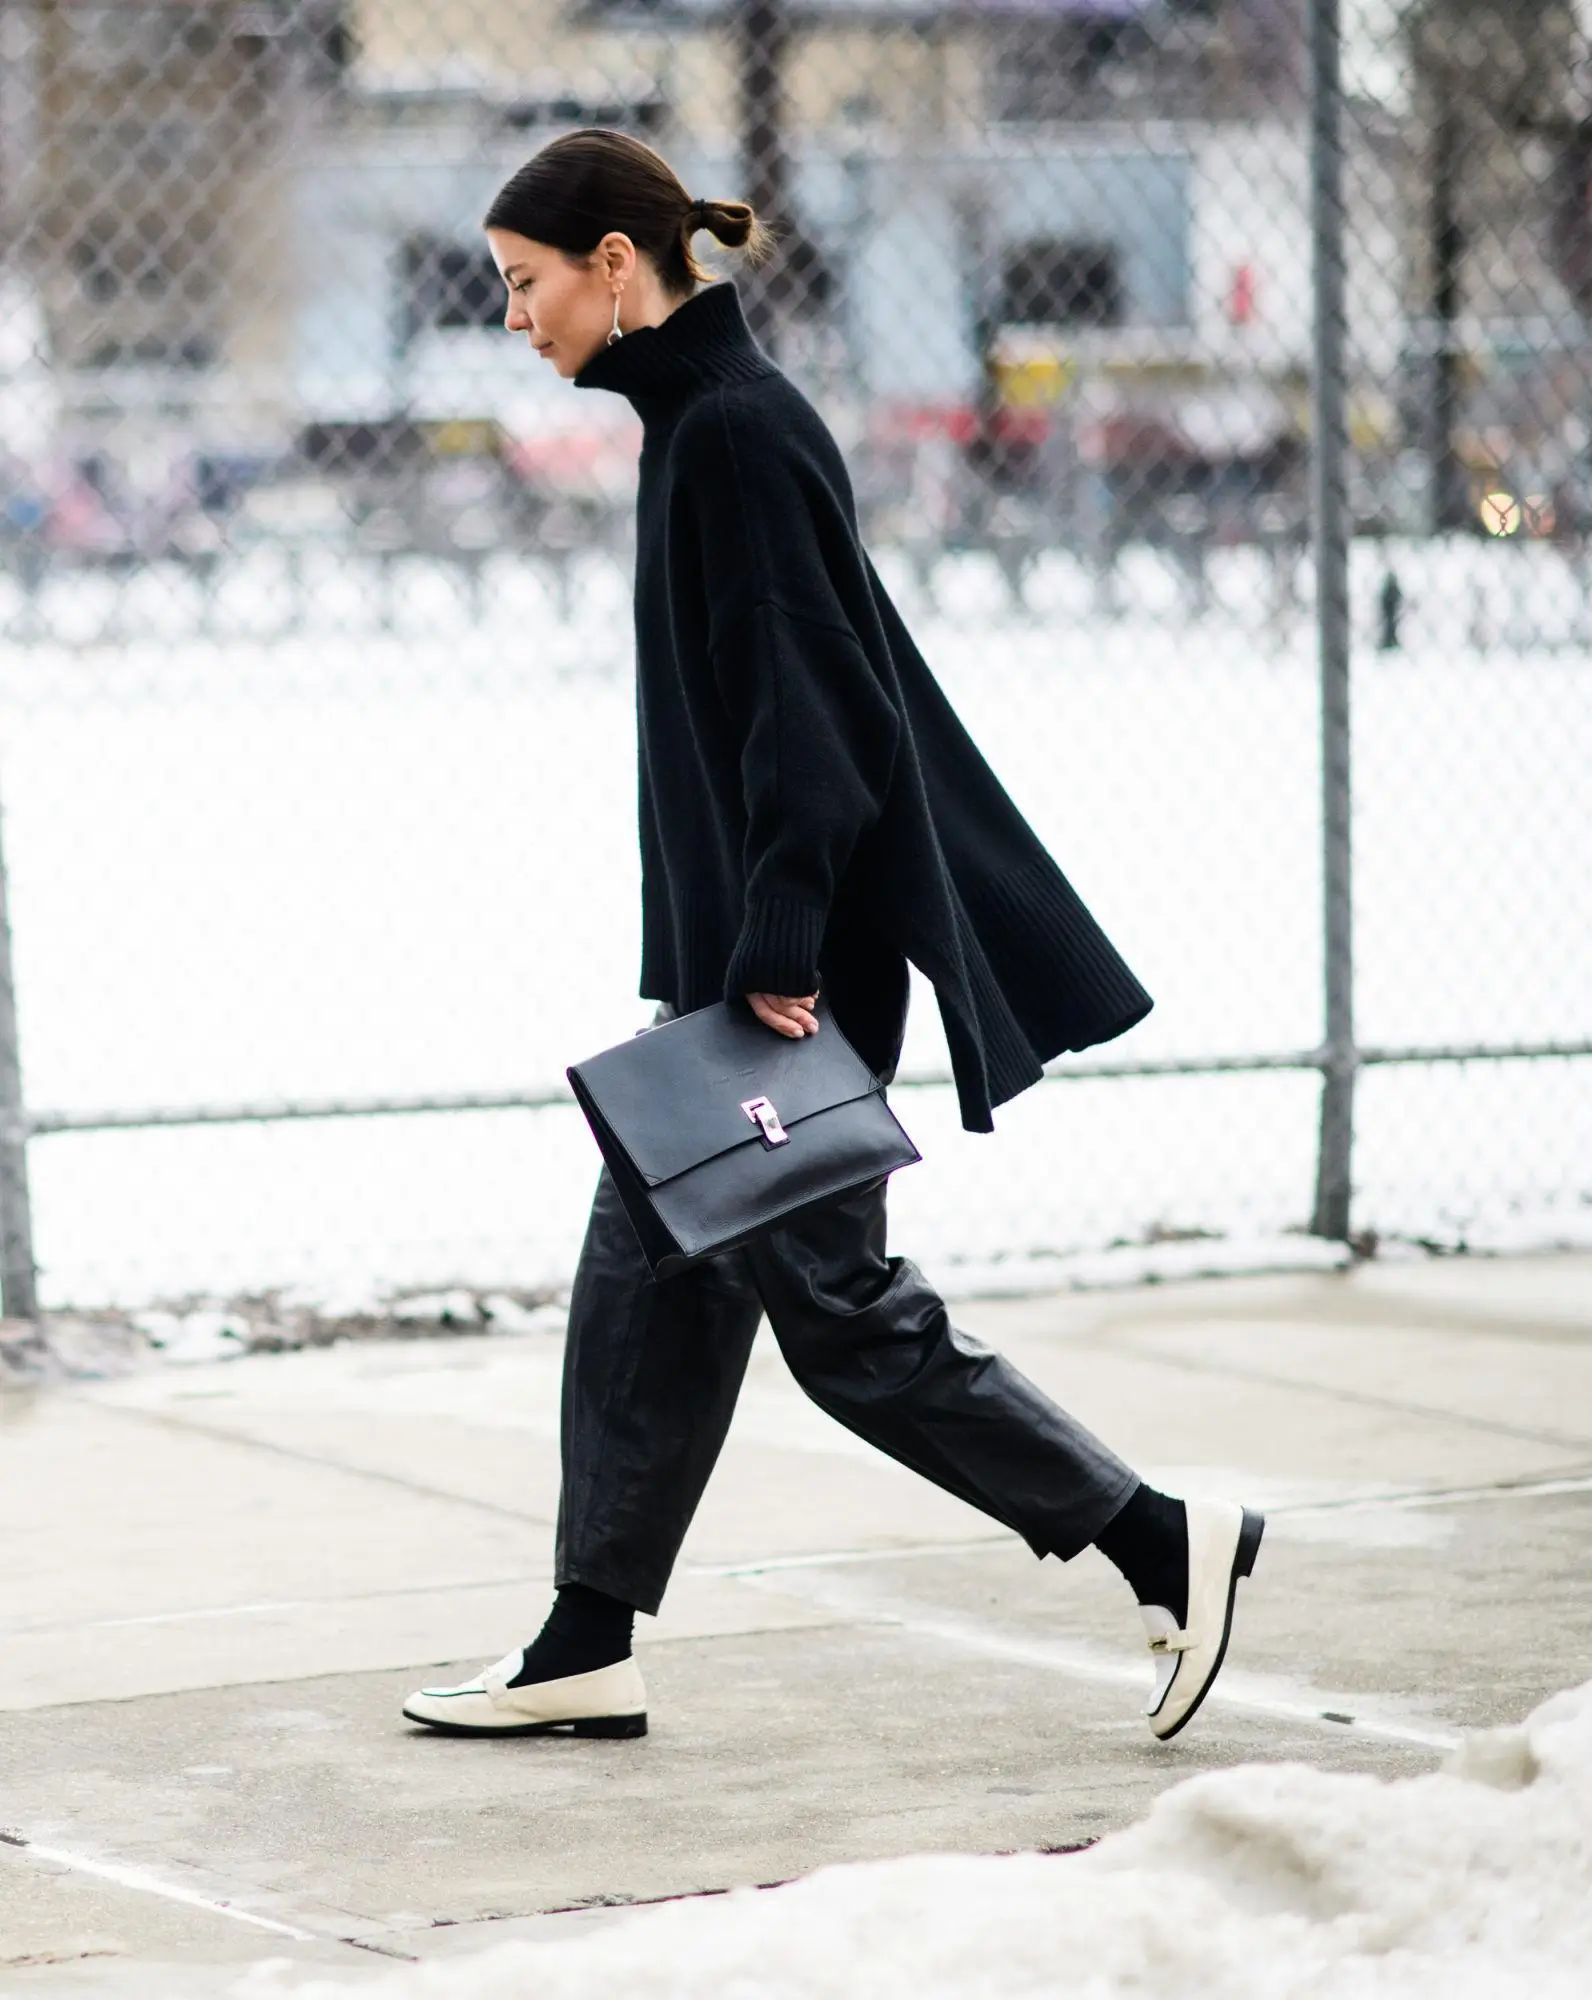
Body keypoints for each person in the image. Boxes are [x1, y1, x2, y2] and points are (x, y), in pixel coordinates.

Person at [402, 129, 1262, 1748]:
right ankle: (587, 1639)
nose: (513, 320)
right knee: (645, 1279)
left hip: (788, 969)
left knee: (844, 1319)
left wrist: (781, 937)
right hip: (749, 956)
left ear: (613, 265)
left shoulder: (732, 431)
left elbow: (819, 706)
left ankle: (1160, 1537)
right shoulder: (701, 425)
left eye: (524, 286)